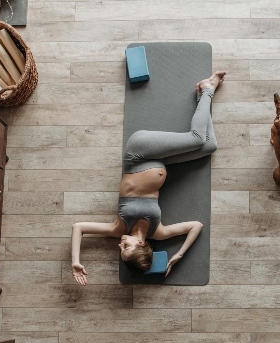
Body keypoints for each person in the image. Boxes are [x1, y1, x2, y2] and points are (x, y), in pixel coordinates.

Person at [71, 71, 226, 286]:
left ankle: (207, 89)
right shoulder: (158, 232)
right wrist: (179, 254)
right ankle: (202, 95)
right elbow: (196, 226)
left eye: (121, 249)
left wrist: (76, 262)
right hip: (160, 160)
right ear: (142, 244)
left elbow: (78, 227)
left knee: (197, 139)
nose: (120, 245)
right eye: (126, 248)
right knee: (209, 145)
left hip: (139, 153)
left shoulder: (119, 228)